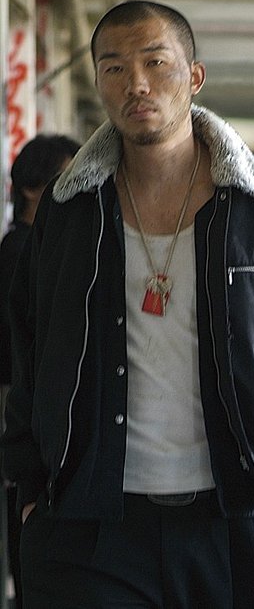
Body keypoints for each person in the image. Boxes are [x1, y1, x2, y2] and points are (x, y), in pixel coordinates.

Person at [0, 0, 254, 609]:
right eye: (114, 68)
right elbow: (30, 346)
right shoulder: (70, 210)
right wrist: (31, 492)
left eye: (155, 62)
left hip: (236, 524)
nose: (136, 83)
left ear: (194, 76)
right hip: (88, 531)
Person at [0, 133, 78, 609]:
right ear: (33, 187)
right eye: (65, 176)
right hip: (18, 400)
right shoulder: (21, 249)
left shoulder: (43, 243)